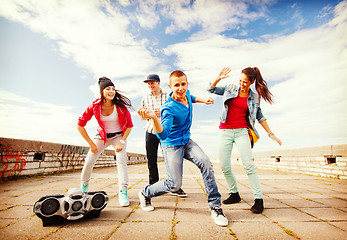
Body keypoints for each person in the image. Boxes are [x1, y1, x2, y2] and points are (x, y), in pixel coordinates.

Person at [137, 70, 228, 227]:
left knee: (205, 162)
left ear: (187, 84)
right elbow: (163, 134)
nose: (180, 88)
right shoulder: (168, 108)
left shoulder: (186, 94)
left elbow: (191, 98)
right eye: (176, 85)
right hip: (171, 144)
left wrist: (203, 99)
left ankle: (215, 206)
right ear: (170, 86)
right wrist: (153, 117)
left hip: (186, 140)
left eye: (183, 84)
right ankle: (145, 192)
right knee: (174, 184)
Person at [207, 67, 282, 214]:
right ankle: (234, 194)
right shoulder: (229, 88)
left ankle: (258, 199)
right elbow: (211, 89)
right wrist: (218, 78)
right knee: (224, 165)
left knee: (248, 164)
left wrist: (270, 133)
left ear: (252, 82)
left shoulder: (255, 98)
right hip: (225, 131)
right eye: (240, 81)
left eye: (245, 82)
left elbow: (260, 116)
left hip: (242, 131)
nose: (242, 84)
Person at [77, 77, 133, 207]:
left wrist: (122, 142)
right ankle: (84, 186)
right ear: (102, 91)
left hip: (118, 136)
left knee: (121, 161)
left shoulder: (120, 106)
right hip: (101, 136)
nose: (111, 91)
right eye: (108, 89)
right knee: (89, 160)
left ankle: (123, 191)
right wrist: (91, 144)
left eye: (113, 89)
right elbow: (80, 125)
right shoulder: (95, 105)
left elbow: (129, 125)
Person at [140, 74, 187, 197]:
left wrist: (160, 111)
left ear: (158, 83)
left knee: (170, 160)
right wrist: (146, 114)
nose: (150, 85)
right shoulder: (145, 97)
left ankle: (175, 188)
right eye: (148, 83)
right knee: (151, 160)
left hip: (167, 132)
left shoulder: (168, 95)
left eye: (152, 83)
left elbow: (176, 109)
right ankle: (154, 187)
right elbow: (142, 116)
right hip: (150, 131)